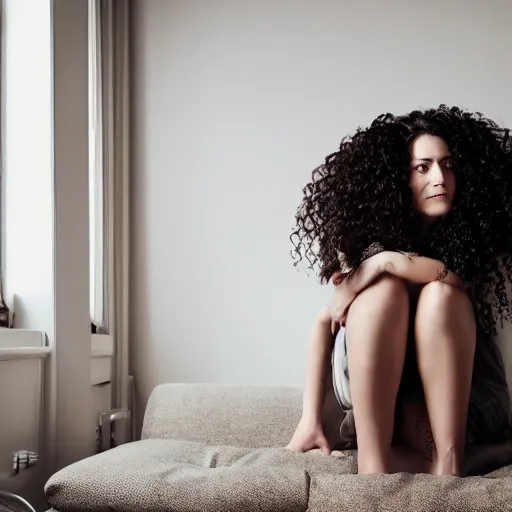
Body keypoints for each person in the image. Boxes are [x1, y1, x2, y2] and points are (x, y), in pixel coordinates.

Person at [286, 105, 512, 476]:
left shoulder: (476, 239)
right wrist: (309, 420)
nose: (439, 177)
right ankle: (374, 471)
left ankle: (450, 465)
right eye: (423, 167)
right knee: (383, 294)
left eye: (448, 164)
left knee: (440, 294)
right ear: (398, 179)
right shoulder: (363, 243)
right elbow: (325, 321)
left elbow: (455, 278)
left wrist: (386, 262)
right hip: (384, 392)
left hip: (461, 395)